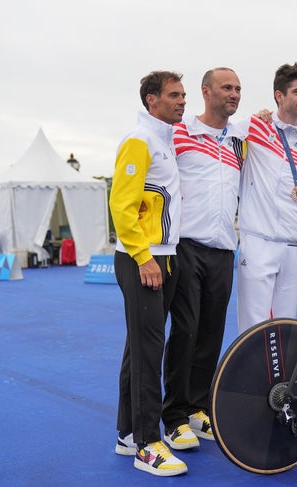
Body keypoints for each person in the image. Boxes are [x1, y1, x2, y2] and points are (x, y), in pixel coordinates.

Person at [162, 68, 245, 452]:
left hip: (224, 248)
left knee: (211, 332)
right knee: (186, 331)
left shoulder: (238, 142)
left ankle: (198, 407)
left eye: (238, 89)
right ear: (205, 92)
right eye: (227, 88)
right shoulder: (178, 133)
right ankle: (174, 417)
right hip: (186, 246)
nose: (234, 94)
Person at [110, 70, 187, 477]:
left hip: (166, 255)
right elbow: (122, 206)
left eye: (184, 94)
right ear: (151, 100)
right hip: (144, 258)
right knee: (148, 352)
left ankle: (126, 433)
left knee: (138, 348)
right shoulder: (139, 141)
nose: (182, 101)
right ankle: (146, 444)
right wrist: (143, 257)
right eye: (174, 95)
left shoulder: (165, 140)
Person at [236, 63, 297, 334]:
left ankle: (280, 378)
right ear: (279, 96)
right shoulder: (254, 126)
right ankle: (250, 377)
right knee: (254, 326)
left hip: (294, 243)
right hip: (259, 240)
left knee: (286, 325)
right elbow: (217, 130)